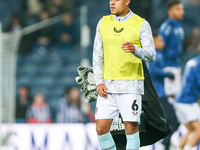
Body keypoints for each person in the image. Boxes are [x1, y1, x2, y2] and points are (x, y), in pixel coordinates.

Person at [93, 0, 156, 149]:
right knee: (101, 129)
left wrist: (136, 50)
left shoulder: (141, 24)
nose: (112, 3)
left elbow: (152, 55)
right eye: (111, 0)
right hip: (107, 86)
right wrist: (98, 81)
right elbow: (97, 55)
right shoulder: (103, 22)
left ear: (127, 1)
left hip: (131, 85)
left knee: (131, 128)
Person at [147, 33, 180, 150]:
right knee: (174, 121)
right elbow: (151, 70)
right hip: (158, 95)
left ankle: (164, 144)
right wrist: (167, 74)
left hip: (161, 94)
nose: (163, 43)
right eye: (160, 40)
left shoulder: (159, 54)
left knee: (171, 121)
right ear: (154, 41)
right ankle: (163, 143)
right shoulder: (152, 53)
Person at [174, 44, 200, 150]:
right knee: (198, 130)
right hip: (187, 101)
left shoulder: (193, 61)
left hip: (180, 100)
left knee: (190, 130)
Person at [159, 0, 185, 97]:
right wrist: (165, 70)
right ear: (170, 11)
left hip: (176, 66)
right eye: (178, 9)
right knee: (171, 98)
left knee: (177, 97)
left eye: (182, 9)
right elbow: (160, 48)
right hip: (168, 67)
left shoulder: (179, 26)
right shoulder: (166, 27)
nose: (182, 12)